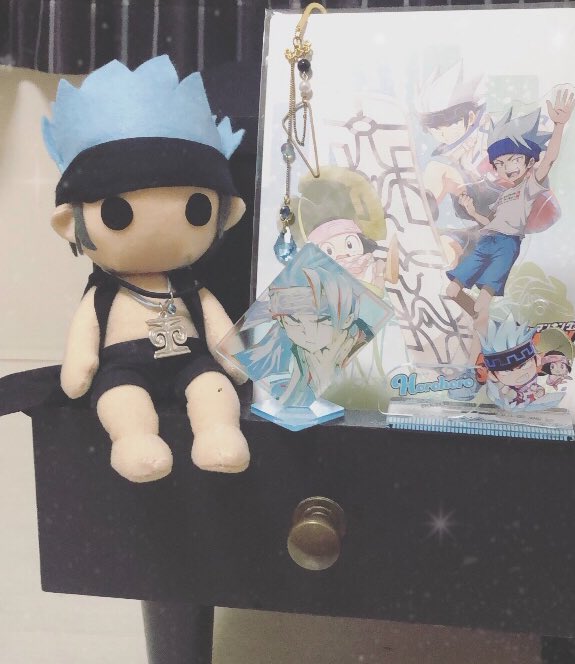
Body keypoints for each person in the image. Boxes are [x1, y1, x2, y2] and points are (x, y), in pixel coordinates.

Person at [446, 90, 574, 364]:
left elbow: (550, 158)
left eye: (514, 159)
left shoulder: (530, 185)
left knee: (482, 305)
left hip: (505, 246)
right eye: (500, 163)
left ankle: (476, 364)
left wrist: (559, 125)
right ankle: (485, 322)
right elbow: (490, 223)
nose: (507, 167)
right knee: (452, 292)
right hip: (487, 241)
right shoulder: (504, 195)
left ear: (529, 161)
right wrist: (472, 211)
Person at [234, 247, 375, 408]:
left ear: (347, 319)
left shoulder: (364, 351)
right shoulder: (278, 351)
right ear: (281, 321)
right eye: (294, 320)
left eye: (323, 319)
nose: (309, 333)